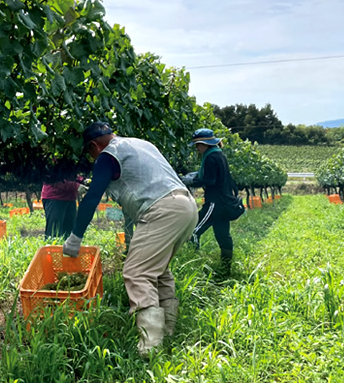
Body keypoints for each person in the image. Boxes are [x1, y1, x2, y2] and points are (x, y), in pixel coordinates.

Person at [62, 122, 198, 355]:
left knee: (136, 272)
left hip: (161, 210)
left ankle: (150, 346)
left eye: (90, 152)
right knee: (159, 269)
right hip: (185, 206)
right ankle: (169, 330)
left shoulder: (107, 155)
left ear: (94, 145)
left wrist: (75, 238)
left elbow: (93, 197)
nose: (93, 157)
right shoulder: (139, 143)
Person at [181, 128, 245, 279]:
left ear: (204, 144)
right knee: (223, 236)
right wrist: (197, 174)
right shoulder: (218, 154)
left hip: (215, 203)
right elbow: (214, 174)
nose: (197, 148)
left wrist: (192, 181)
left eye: (198, 145)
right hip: (224, 203)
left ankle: (193, 267)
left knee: (193, 231)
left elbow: (210, 180)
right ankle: (225, 269)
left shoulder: (210, 157)